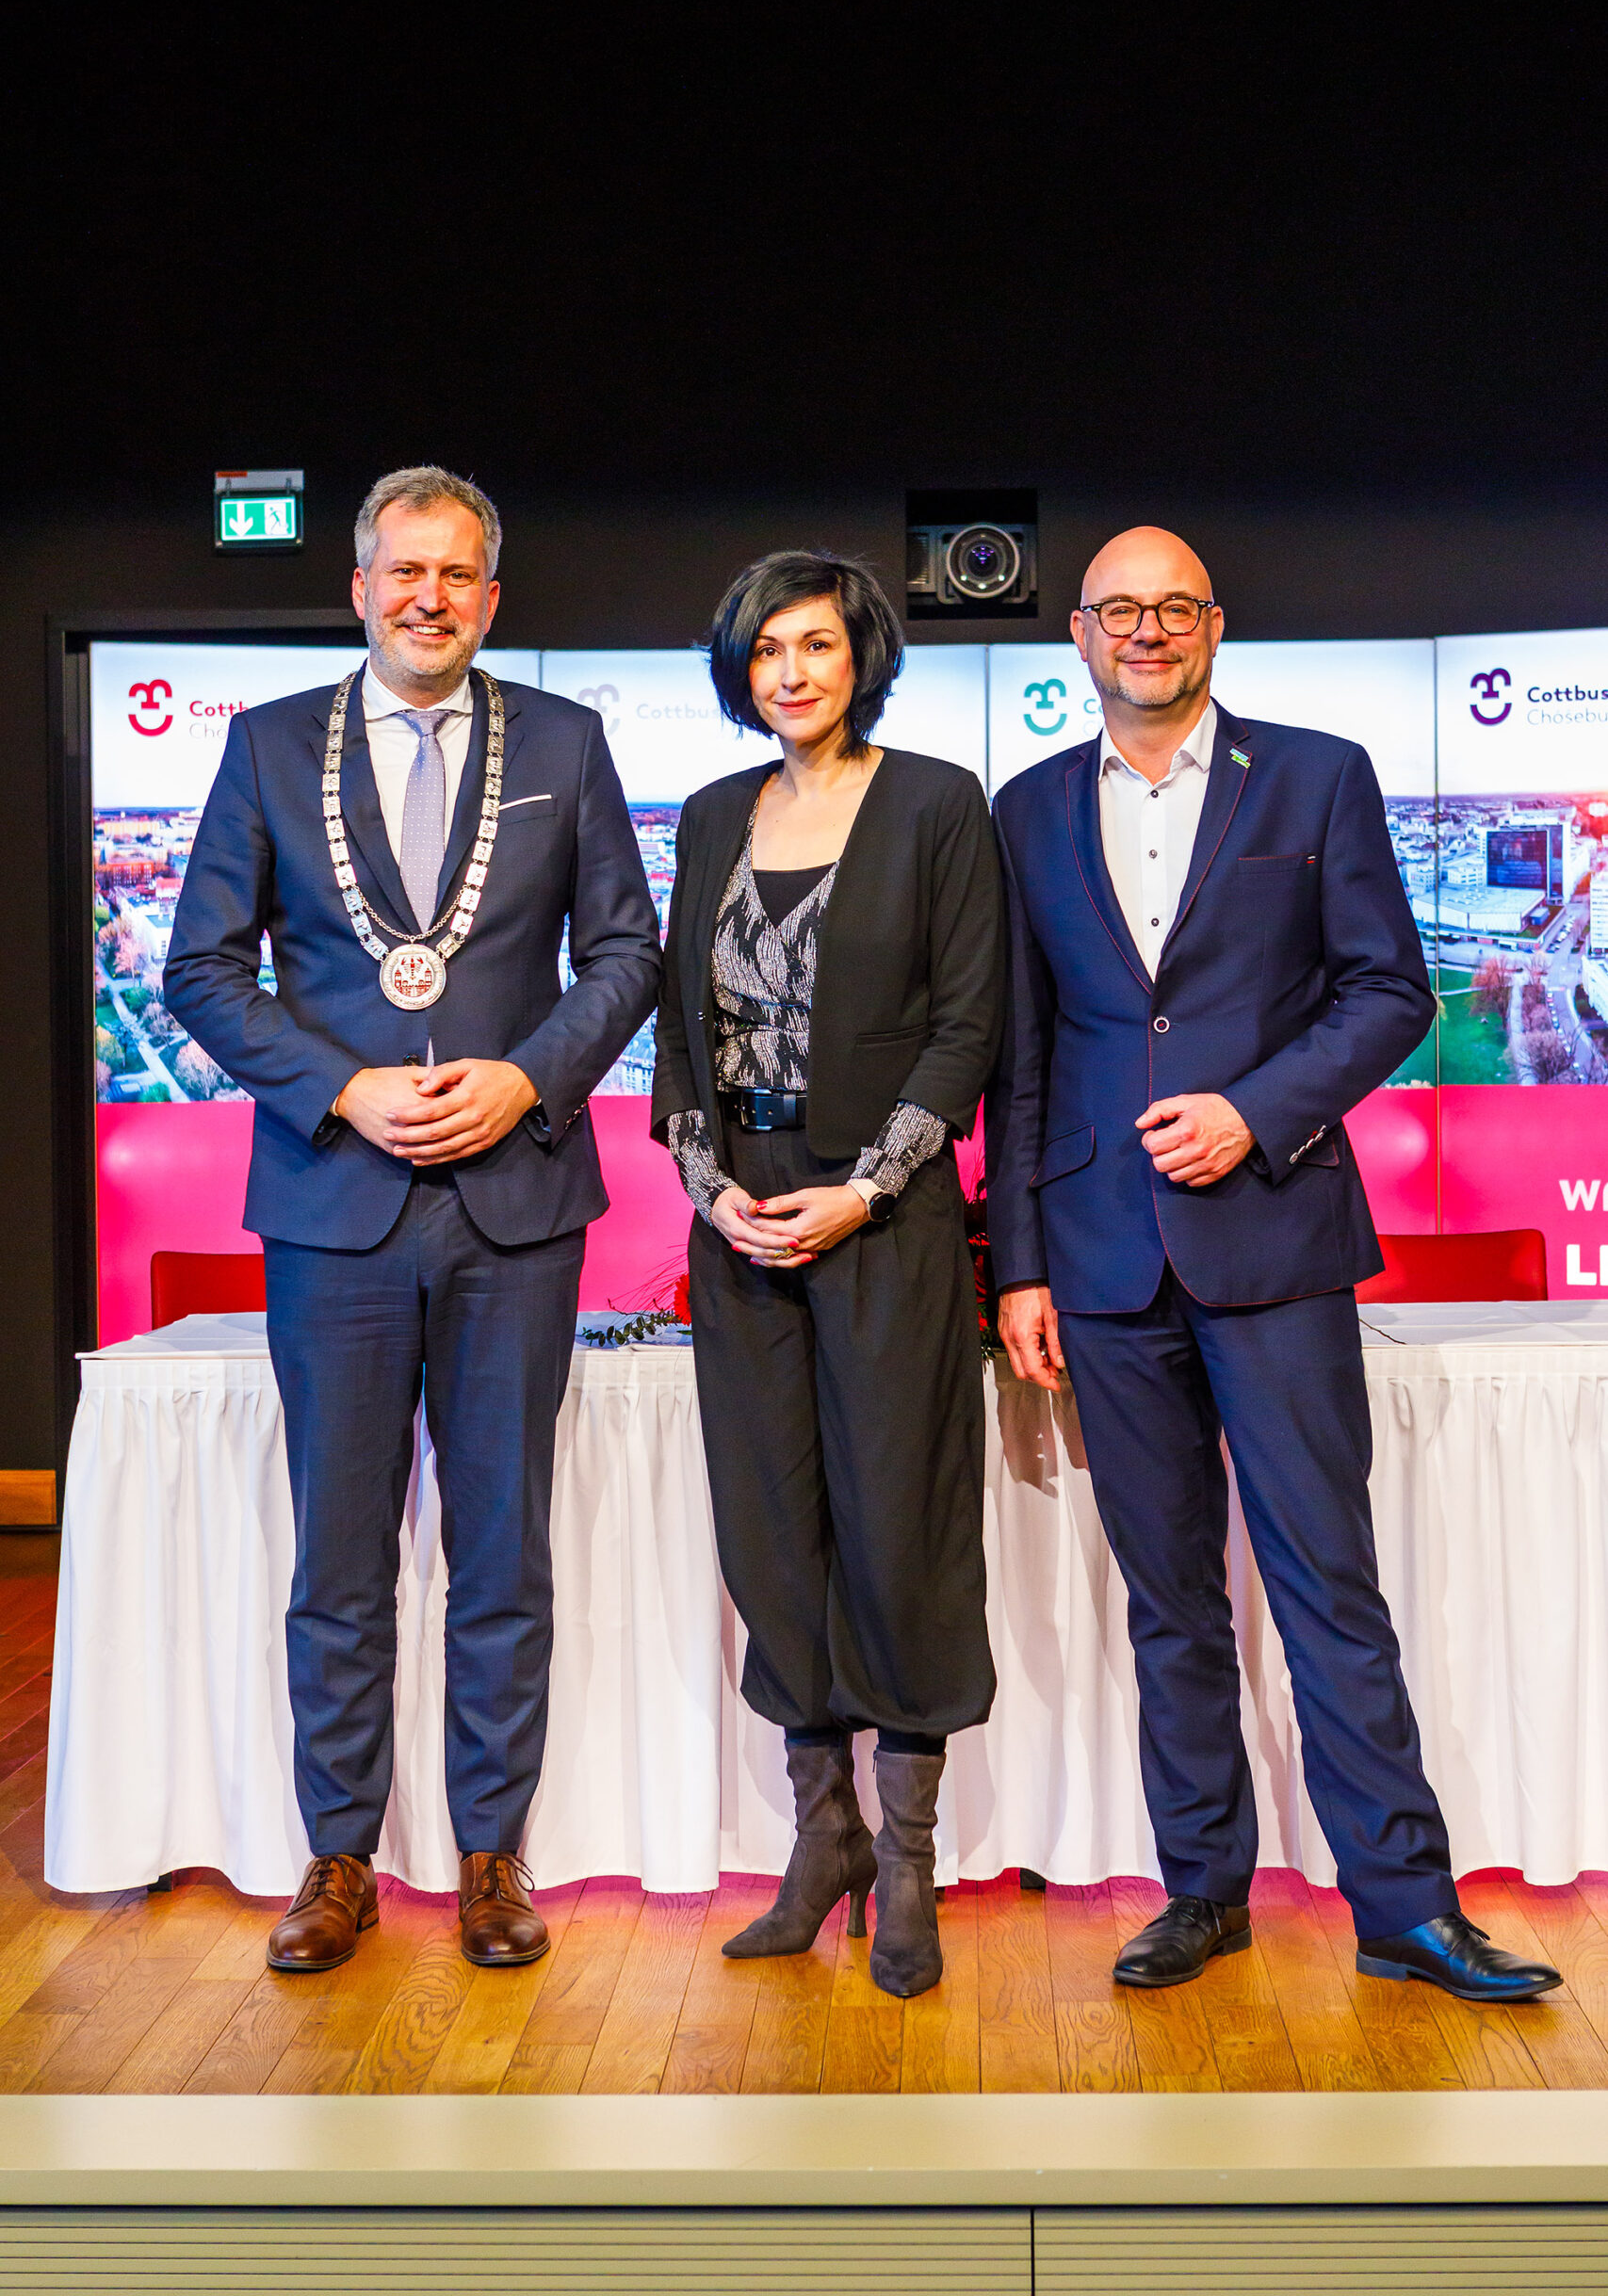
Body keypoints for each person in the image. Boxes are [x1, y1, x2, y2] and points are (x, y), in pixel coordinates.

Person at [986, 525, 1561, 2004]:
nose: (1149, 630)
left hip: (1276, 1236)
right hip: (1102, 1262)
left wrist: (1254, 1112)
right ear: (1079, 634)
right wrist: (1020, 1267)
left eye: (1175, 607)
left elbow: (1388, 992)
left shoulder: (1315, 775)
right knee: (1168, 1600)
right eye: (1121, 609)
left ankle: (1404, 1907)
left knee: (1327, 1587)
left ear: (1216, 625)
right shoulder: (1026, 808)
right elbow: (1025, 1054)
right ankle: (1203, 1892)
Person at [165, 465, 660, 1972]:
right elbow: (202, 970)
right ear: (360, 589)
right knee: (340, 1556)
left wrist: (527, 1077)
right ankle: (338, 1857)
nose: (428, 597)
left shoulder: (566, 743)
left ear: (490, 597)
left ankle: (493, 1853)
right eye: (404, 572)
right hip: (336, 1205)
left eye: (456, 575)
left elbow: (625, 955)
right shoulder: (266, 746)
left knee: (503, 1552)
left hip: (518, 1207)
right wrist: (342, 1088)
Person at [652, 550, 1002, 1998]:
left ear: (863, 656)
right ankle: (826, 1842)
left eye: (815, 644)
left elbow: (969, 1025)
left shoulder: (936, 803)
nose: (791, 672)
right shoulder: (710, 817)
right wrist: (712, 1188)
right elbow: (679, 1034)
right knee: (774, 1535)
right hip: (742, 1224)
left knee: (897, 1530)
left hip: (887, 1219)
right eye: (765, 651)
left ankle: (908, 1862)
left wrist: (861, 1191)